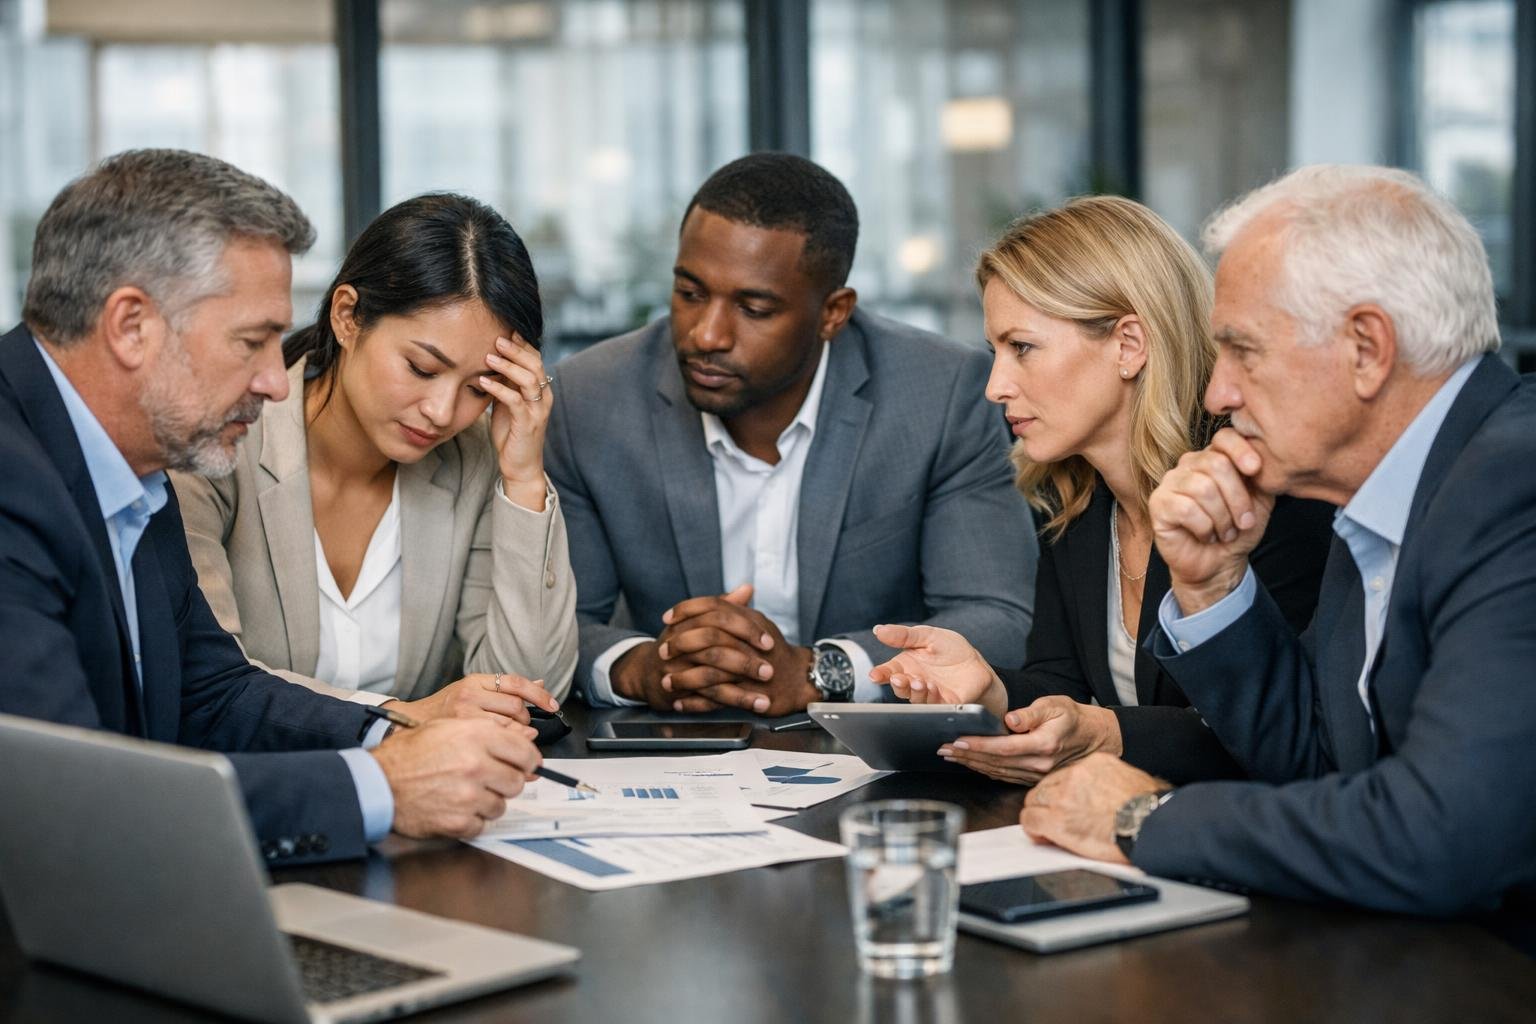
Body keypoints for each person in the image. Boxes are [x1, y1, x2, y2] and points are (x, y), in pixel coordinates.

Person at [1015, 165, 1536, 932]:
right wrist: (1213, 587)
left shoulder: (1513, 488)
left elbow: (1447, 835)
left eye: (1243, 351)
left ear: (1366, 348)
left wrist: (1145, 818)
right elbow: (1318, 761)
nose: (1217, 393)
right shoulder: (1380, 494)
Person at [0, 149, 542, 866]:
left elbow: (211, 694)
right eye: (253, 342)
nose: (276, 380)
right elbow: (65, 804)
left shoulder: (137, 461)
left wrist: (394, 736)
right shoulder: (14, 479)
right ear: (131, 325)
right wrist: (381, 787)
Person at [544, 153, 1037, 716]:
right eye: (690, 294)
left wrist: (818, 673)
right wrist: (641, 667)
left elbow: (996, 616)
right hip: (673, 743)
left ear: (833, 313)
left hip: (871, 749)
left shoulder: (940, 395)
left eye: (753, 308)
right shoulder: (590, 399)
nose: (707, 335)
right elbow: (556, 624)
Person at [870, 196, 1334, 784]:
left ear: (1129, 345)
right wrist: (989, 689)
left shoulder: (1256, 490)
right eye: (995, 352)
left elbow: (1284, 737)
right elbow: (1060, 688)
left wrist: (1110, 734)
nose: (995, 386)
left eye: (1022, 348)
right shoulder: (1074, 499)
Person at [170, 193, 578, 722]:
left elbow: (530, 697)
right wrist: (398, 718)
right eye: (422, 368)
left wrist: (523, 479)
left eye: (479, 388)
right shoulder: (221, 444)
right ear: (347, 317)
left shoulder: (477, 459)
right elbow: (204, 683)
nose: (441, 412)